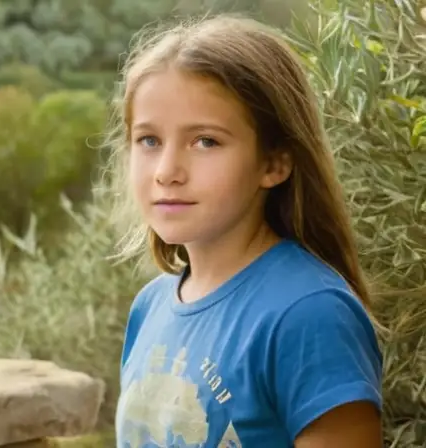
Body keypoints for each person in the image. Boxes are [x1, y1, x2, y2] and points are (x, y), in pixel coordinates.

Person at [106, 14, 384, 448]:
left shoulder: (309, 315)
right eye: (149, 140)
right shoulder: (150, 307)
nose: (167, 172)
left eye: (206, 141)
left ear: (274, 163)